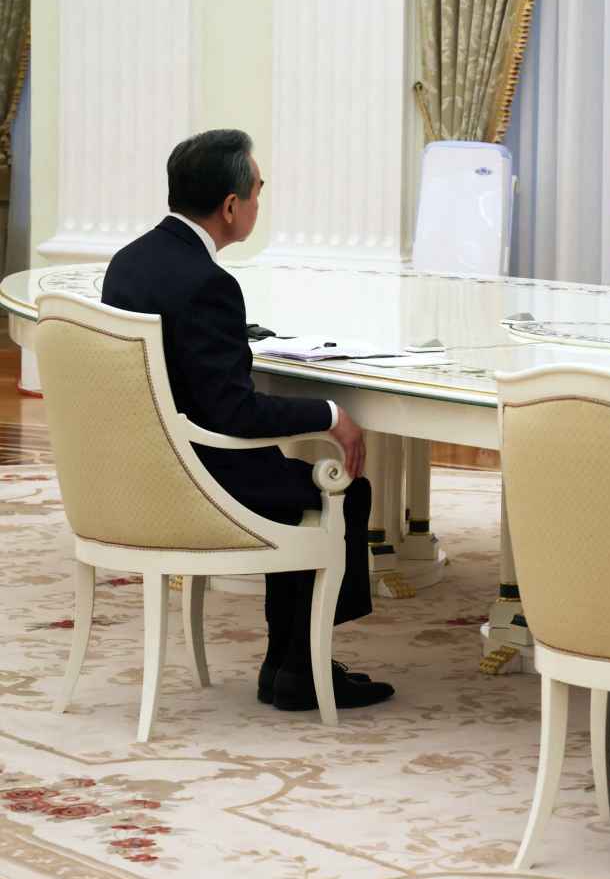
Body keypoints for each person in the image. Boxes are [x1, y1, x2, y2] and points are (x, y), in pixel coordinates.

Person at [100, 128, 393, 712]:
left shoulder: (129, 262)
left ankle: (288, 665)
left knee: (286, 477)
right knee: (341, 493)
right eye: (258, 190)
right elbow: (234, 413)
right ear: (232, 206)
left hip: (144, 468)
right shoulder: (209, 283)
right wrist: (331, 414)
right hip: (198, 478)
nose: (260, 200)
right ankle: (301, 667)